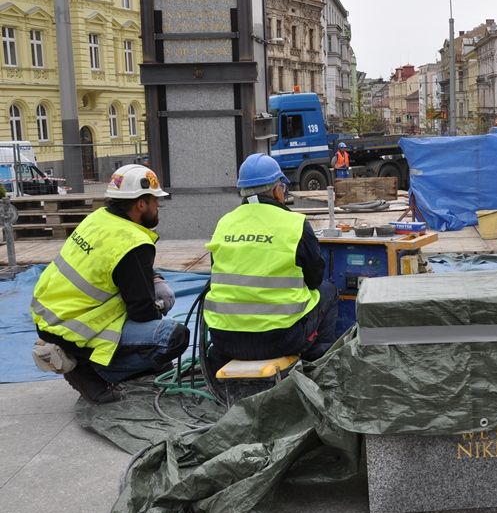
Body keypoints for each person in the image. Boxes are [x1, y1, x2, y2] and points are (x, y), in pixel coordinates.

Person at [30, 165, 189, 404]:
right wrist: (157, 305)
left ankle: (86, 360)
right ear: (141, 204)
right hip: (74, 329)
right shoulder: (134, 242)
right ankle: (93, 371)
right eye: (156, 201)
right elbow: (142, 312)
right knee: (172, 337)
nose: (158, 207)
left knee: (156, 350)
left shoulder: (99, 219)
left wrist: (154, 279)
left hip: (48, 319)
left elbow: (112, 261)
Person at [203, 153, 338, 371]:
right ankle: (318, 364)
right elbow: (314, 280)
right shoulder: (295, 225)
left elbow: (216, 275)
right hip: (280, 340)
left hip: (225, 341)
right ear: (277, 190)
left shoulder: (224, 223)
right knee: (328, 291)